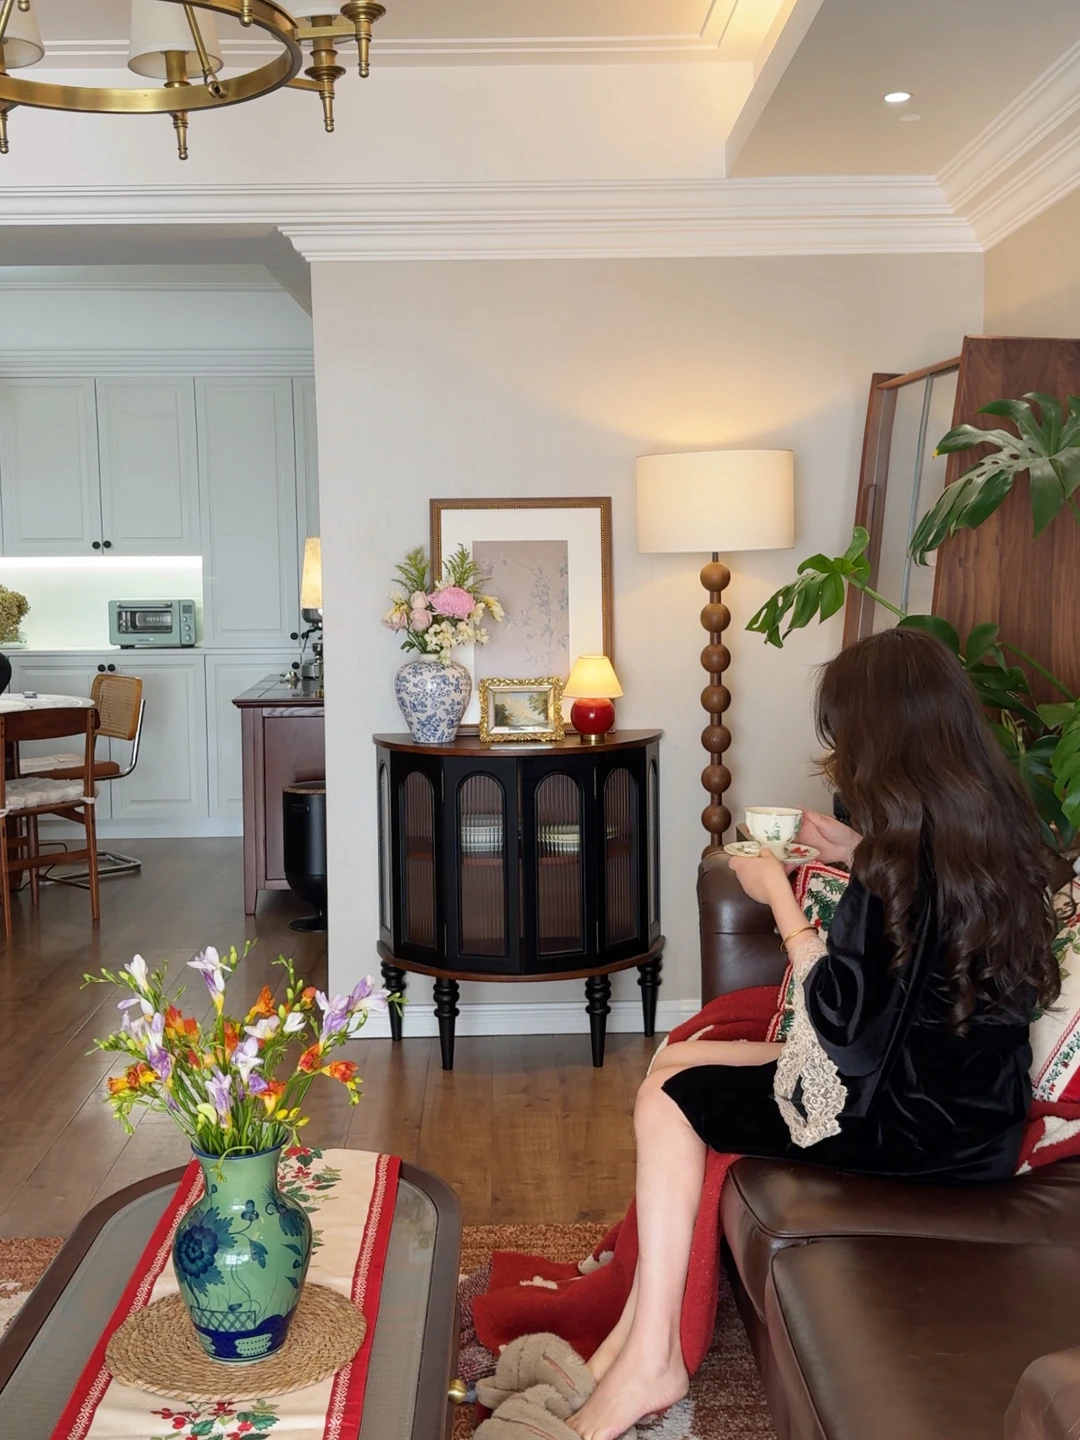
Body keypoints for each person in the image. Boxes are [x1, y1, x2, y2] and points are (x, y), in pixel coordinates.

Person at [568, 627, 1061, 1440]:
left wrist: (782, 899)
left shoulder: (895, 866)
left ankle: (652, 1360)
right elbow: (921, 963)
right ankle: (633, 1329)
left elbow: (846, 1036)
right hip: (975, 1125)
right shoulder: (991, 832)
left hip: (902, 1129)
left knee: (670, 1099)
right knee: (683, 1058)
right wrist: (859, 852)